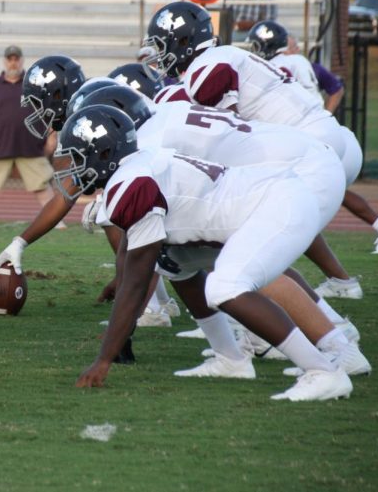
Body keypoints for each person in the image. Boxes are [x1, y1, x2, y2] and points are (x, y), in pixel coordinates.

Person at [63, 106, 354, 402]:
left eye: (77, 157)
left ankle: (322, 371)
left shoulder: (131, 185)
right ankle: (231, 360)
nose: (73, 168)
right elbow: (131, 257)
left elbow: (137, 282)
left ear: (102, 154)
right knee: (173, 263)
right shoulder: (138, 165)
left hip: (276, 203)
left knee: (225, 287)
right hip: (268, 199)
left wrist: (104, 359)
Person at [145, 1, 378, 260]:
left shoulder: (206, 69)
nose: (158, 54)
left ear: (182, 41)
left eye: (161, 45)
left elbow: (229, 130)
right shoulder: (223, 55)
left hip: (305, 145)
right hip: (330, 136)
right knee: (275, 224)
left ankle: (242, 290)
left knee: (253, 232)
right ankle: (338, 282)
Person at [0, 46, 60, 228]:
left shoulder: (35, 85)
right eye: (10, 59)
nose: (13, 62)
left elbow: (52, 111)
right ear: (4, 61)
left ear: (22, 61)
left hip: (31, 145)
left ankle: (54, 219)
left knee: (41, 184)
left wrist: (52, 137)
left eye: (16, 59)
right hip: (0, 144)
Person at [246, 20, 344, 112]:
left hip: (301, 120)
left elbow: (337, 89)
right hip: (313, 117)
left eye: (256, 47)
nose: (297, 50)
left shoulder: (278, 64)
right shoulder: (300, 61)